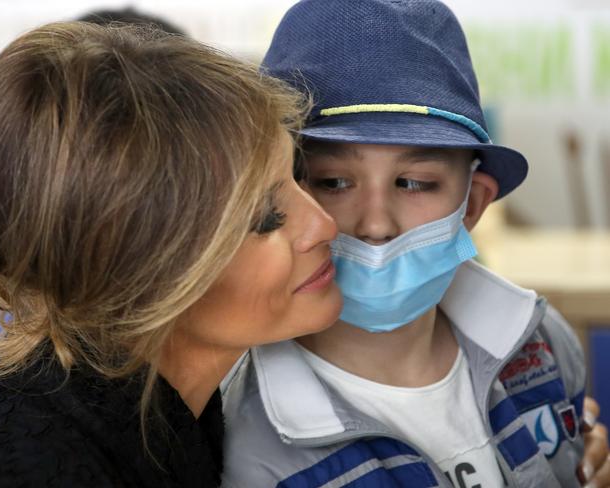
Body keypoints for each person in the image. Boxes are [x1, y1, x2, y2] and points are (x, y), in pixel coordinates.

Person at [222, 1, 609, 486]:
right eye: (333, 182)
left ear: (472, 204)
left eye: (415, 183)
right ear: (278, 194)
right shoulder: (236, 434)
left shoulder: (539, 341)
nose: (376, 224)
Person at [0, 21, 343, 487]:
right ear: (140, 275)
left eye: (297, 176)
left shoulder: (170, 420)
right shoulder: (33, 468)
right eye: (265, 219)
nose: (325, 224)